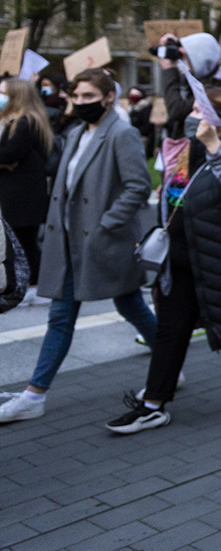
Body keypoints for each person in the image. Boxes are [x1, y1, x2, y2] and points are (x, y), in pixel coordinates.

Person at [107, 86, 221, 434]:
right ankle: (153, 404)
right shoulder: (191, 149)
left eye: (199, 113)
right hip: (184, 257)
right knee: (172, 330)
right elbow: (175, 196)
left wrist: (215, 147)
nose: (192, 119)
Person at [0, 70, 156, 424]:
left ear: (108, 97)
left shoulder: (122, 133)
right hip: (70, 244)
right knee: (63, 316)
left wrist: (105, 225)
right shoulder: (74, 133)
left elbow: (138, 186)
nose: (82, 103)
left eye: (89, 96)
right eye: (77, 97)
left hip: (99, 242)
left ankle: (166, 367)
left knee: (130, 305)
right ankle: (33, 394)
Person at [0, 79, 53, 285]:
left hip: (23, 192)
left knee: (23, 241)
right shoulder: (17, 121)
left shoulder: (26, 122)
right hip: (19, 190)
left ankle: (34, 282)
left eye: (3, 92)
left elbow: (8, 154)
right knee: (22, 240)